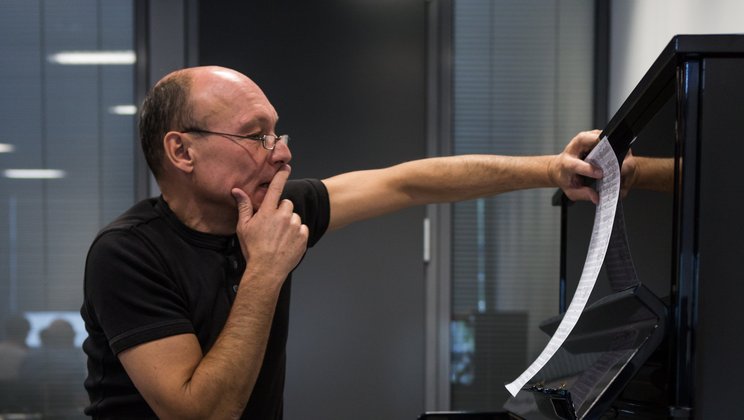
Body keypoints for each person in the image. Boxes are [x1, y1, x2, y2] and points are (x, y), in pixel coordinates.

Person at [80, 65, 603, 419]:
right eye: (256, 135)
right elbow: (204, 413)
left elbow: (408, 181)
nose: (282, 154)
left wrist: (551, 169)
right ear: (182, 151)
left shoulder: (279, 211)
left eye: (278, 134)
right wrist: (264, 270)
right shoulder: (126, 253)